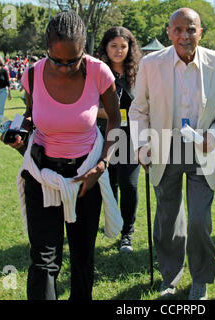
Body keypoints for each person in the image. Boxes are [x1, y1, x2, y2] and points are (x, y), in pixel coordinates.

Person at [5, 10, 121, 300]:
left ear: (85, 50)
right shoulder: (31, 75)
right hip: (42, 177)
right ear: (46, 49)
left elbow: (115, 122)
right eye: (57, 61)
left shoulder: (99, 72)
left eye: (74, 60)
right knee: (44, 261)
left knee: (82, 259)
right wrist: (20, 133)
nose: (66, 67)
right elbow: (31, 117)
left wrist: (102, 165)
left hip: (85, 177)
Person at [129, 8, 215, 300]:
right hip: (164, 148)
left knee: (199, 220)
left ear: (200, 32)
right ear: (168, 32)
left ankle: (200, 278)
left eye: (191, 29)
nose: (184, 36)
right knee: (168, 218)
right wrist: (141, 144)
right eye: (178, 30)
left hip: (204, 149)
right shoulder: (151, 64)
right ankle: (170, 275)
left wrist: (214, 136)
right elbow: (138, 108)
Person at [96, 26, 142, 253]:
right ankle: (112, 222)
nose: (118, 51)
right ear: (105, 47)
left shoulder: (139, 72)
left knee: (129, 184)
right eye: (113, 45)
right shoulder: (95, 72)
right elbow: (90, 108)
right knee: (109, 182)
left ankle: (127, 233)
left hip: (131, 138)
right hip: (104, 135)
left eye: (123, 46)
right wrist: (114, 114)